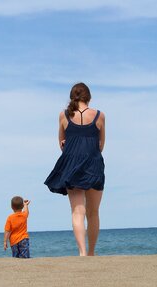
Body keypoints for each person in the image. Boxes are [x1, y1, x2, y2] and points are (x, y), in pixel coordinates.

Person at [44, 82, 105, 256]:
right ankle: (92, 252)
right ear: (89, 97)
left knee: (78, 211)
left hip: (71, 165)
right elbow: (101, 146)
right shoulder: (100, 116)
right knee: (93, 213)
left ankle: (82, 253)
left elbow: (61, 144)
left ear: (72, 97)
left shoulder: (63, 116)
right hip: (93, 164)